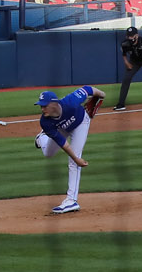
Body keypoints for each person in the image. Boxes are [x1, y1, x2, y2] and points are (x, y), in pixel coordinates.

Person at [32, 86, 102, 215]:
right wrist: (76, 158)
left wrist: (101, 95)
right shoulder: (45, 122)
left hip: (81, 123)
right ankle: (42, 138)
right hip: (60, 129)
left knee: (73, 162)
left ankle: (71, 200)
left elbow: (88, 89)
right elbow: (63, 144)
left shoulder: (71, 101)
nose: (42, 109)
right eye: (40, 106)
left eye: (44, 106)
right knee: (48, 153)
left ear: (54, 103)